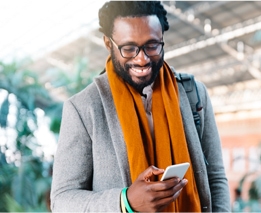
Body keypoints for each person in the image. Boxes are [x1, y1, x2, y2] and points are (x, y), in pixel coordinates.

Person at [50, 1, 230, 212]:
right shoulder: (83, 108)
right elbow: (62, 200)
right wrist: (125, 202)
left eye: (152, 46)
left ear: (162, 39)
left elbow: (216, 178)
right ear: (109, 43)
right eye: (129, 48)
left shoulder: (193, 94)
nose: (142, 59)